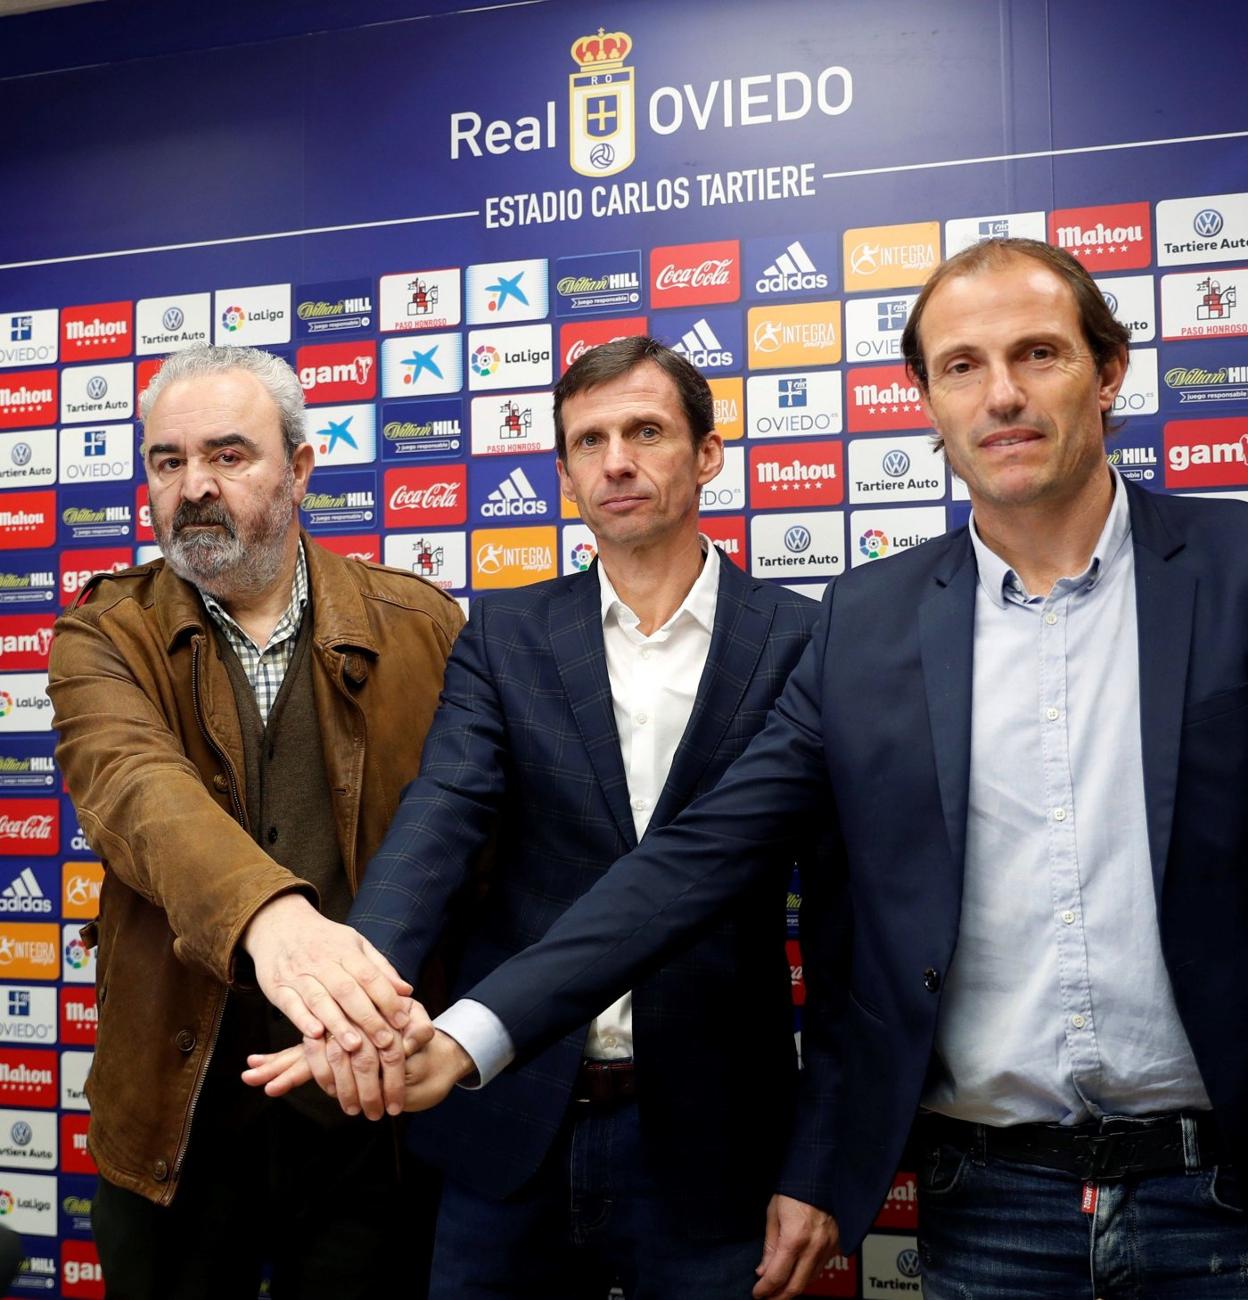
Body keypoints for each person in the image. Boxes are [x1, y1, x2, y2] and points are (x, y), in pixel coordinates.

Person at [286, 238, 1247, 1297]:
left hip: (1219, 1187)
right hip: (990, 1196)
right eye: (962, 366)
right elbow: (689, 858)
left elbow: (838, 936)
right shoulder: (870, 625)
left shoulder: (1232, 570)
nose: (1003, 395)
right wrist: (464, 1031)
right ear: (925, 398)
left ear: (1108, 373)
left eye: (1039, 354)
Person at [249, 337, 839, 1299]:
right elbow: (439, 823)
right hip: (505, 1124)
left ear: (708, 452)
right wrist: (354, 995)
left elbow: (846, 929)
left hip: (716, 1146)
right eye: (589, 440)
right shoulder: (506, 633)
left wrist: (818, 1167)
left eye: (646, 430)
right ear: (562, 472)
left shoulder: (807, 640)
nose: (617, 461)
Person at [48, 344, 463, 1300]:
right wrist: (274, 923)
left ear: (302, 468)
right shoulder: (101, 635)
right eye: (168, 461)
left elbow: (472, 853)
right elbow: (137, 788)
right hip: (174, 1120)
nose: (194, 487)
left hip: (372, 1115)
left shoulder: (422, 627)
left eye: (230, 456)